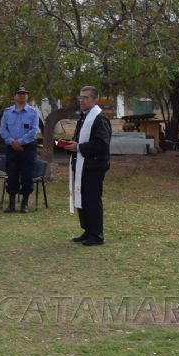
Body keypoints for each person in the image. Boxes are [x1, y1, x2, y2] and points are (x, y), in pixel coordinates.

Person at [64, 86, 112, 246]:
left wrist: (79, 147)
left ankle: (97, 234)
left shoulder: (99, 119)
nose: (81, 100)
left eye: (86, 97)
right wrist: (70, 144)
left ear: (94, 100)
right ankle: (88, 230)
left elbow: (102, 145)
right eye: (80, 97)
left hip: (94, 166)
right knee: (82, 198)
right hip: (82, 165)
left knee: (92, 199)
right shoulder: (84, 117)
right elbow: (79, 139)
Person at [0, 85, 40, 213]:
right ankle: (11, 204)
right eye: (19, 93)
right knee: (11, 175)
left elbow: (34, 131)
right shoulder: (7, 112)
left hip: (27, 148)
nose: (22, 95)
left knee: (27, 175)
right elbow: (2, 129)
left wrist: (20, 142)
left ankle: (24, 204)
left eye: (24, 93)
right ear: (14, 96)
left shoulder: (33, 112)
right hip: (12, 148)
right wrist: (12, 142)